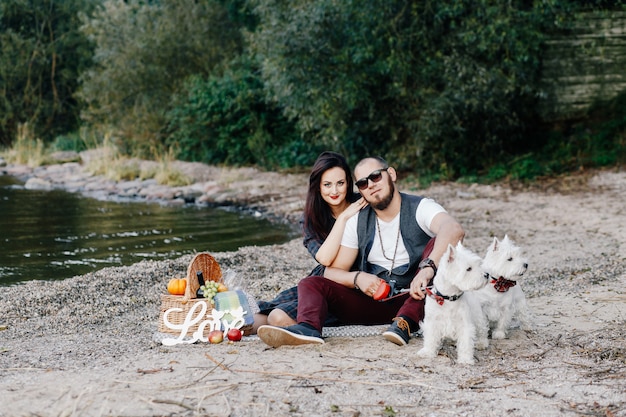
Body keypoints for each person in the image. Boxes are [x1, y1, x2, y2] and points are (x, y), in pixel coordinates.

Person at [257, 156, 465, 347]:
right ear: (359, 190)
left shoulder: (420, 207)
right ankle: (309, 329)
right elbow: (331, 271)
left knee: (440, 244)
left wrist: (427, 269)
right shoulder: (357, 219)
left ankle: (406, 323)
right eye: (363, 183)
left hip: (417, 294)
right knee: (310, 283)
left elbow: (453, 229)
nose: (371, 185)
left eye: (376, 177)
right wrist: (358, 279)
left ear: (391, 174)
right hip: (374, 299)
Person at [251, 151, 367, 333]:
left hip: (353, 282)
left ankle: (304, 330)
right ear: (318, 187)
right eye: (327, 185)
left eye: (340, 183)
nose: (334, 191)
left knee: (277, 317)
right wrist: (344, 217)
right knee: (256, 317)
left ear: (348, 183)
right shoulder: (312, 218)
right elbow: (325, 259)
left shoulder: (362, 204)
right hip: (322, 278)